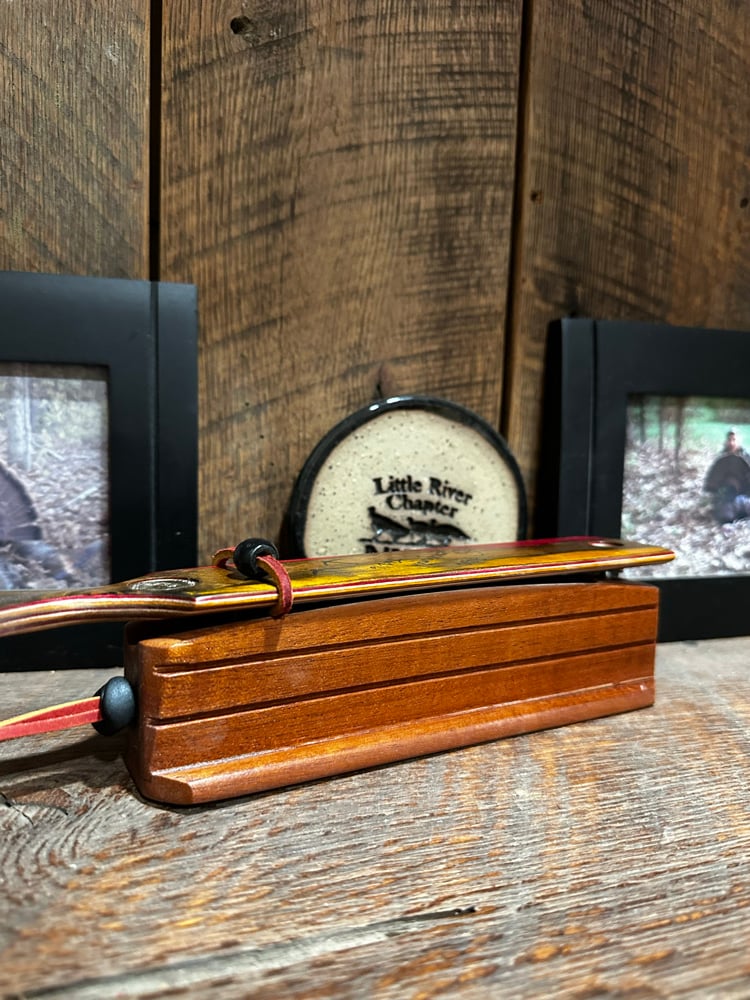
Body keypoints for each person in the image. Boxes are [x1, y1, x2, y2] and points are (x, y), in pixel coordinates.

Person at [704, 429, 750, 523]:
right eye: (729, 440)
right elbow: (711, 487)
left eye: (734, 440)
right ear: (726, 441)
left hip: (744, 495)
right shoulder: (721, 458)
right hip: (725, 496)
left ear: (739, 441)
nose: (731, 443)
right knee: (726, 514)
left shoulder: (747, 457)